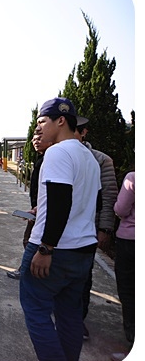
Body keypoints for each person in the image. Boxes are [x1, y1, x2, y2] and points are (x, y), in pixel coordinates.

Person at [19, 97, 101, 361]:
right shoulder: (89, 156)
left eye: (42, 121)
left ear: (61, 121)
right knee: (69, 316)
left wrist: (45, 248)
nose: (39, 128)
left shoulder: (57, 153)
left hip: (56, 250)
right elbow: (95, 204)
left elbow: (60, 201)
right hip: (83, 251)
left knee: (36, 312)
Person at [74, 118, 118, 340]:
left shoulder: (101, 160)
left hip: (89, 227)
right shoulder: (58, 155)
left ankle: (78, 320)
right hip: (63, 228)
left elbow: (109, 197)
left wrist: (105, 229)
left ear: (83, 133)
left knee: (83, 275)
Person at [7, 132, 52, 279]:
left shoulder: (52, 159)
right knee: (28, 240)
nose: (35, 141)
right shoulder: (43, 158)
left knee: (30, 241)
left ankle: (26, 270)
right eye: (34, 138)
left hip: (43, 211)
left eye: (40, 137)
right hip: (38, 209)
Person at [110, 170, 135, 361]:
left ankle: (133, 346)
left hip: (130, 242)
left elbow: (121, 209)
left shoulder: (133, 178)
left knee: (129, 293)